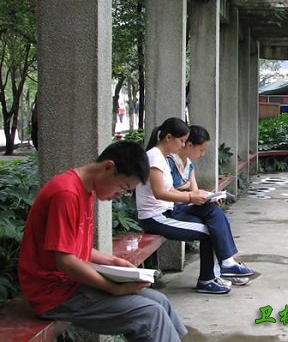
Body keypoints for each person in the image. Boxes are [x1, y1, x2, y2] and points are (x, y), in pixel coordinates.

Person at [18, 141, 187, 341]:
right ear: (108, 167)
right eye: (122, 188)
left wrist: (112, 261)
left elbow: (73, 248)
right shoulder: (66, 194)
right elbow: (64, 260)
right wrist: (113, 288)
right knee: (150, 314)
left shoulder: (85, 190)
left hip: (72, 284)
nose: (118, 196)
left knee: (160, 301)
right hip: (54, 293)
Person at [135, 117, 255, 294]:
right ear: (168, 138)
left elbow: (170, 191)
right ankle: (208, 279)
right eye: (181, 141)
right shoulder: (154, 157)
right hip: (156, 217)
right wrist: (191, 196)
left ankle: (226, 263)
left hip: (169, 211)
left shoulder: (162, 157)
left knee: (211, 209)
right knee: (209, 232)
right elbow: (160, 193)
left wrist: (202, 195)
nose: (182, 145)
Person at [166, 124, 249, 286]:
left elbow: (195, 191)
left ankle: (223, 268)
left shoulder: (189, 165)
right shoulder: (169, 163)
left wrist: (208, 197)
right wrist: (190, 194)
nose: (203, 154)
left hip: (185, 205)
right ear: (189, 145)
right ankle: (225, 265)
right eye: (201, 150)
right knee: (213, 224)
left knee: (213, 212)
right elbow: (169, 192)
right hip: (172, 208)